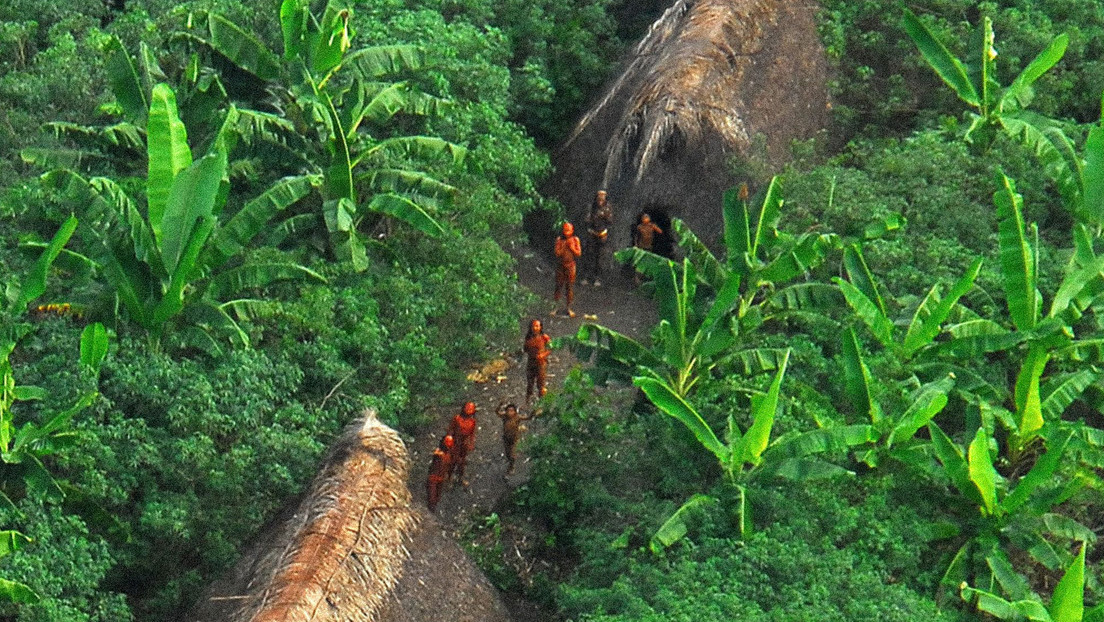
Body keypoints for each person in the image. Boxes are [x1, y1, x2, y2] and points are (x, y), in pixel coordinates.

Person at [582, 190, 614, 286]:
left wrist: (604, 231)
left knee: (600, 257)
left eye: (603, 197)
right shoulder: (591, 207)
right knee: (589, 254)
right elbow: (586, 219)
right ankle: (586, 276)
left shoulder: (608, 208)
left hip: (602, 234)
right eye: (599, 197)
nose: (601, 199)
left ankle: (597, 278)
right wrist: (590, 227)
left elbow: (610, 221)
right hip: (592, 233)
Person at [496, 402, 535, 475]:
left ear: (515, 412)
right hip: (506, 438)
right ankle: (510, 463)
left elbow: (528, 418)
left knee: (512, 455)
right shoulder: (504, 416)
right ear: (506, 411)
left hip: (514, 439)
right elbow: (497, 412)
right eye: (508, 411)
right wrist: (500, 405)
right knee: (508, 454)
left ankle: (512, 467)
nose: (510, 413)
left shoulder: (517, 417)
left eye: (512, 411)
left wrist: (533, 412)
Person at [553, 221, 582, 317]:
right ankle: (555, 307)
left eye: (568, 230)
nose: (566, 232)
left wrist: (571, 247)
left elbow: (578, 253)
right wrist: (564, 246)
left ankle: (569, 307)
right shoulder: (559, 240)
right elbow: (557, 253)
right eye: (565, 230)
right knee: (558, 286)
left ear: (572, 230)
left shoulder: (575, 239)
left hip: (571, 266)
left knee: (569, 287)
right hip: (561, 266)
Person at [447, 401, 478, 486]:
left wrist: (471, 443)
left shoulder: (472, 421)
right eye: (467, 408)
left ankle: (460, 478)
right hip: (455, 442)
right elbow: (450, 429)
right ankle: (449, 478)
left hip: (464, 443)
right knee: (453, 461)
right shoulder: (457, 418)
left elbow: (472, 433)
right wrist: (449, 439)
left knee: (462, 462)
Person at [524, 319, 551, 402]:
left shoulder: (544, 337)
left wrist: (543, 354)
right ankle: (527, 401)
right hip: (531, 362)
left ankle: (542, 403)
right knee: (530, 383)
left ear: (540, 327)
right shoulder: (528, 337)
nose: (535, 328)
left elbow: (551, 348)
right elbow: (525, 349)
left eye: (537, 326)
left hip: (541, 363)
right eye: (533, 326)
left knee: (541, 385)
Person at [632, 212, 664, 284]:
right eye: (644, 218)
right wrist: (636, 245)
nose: (645, 219)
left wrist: (654, 226)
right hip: (641, 246)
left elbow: (660, 232)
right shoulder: (640, 227)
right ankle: (637, 278)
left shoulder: (651, 226)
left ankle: (648, 277)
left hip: (649, 246)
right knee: (640, 261)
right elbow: (636, 237)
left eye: (647, 218)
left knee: (649, 261)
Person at [426, 435, 454, 513]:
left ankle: (432, 512)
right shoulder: (439, 453)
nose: (449, 444)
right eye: (447, 442)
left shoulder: (448, 455)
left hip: (441, 478)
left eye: (450, 442)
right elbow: (435, 457)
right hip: (433, 478)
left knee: (437, 498)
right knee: (432, 497)